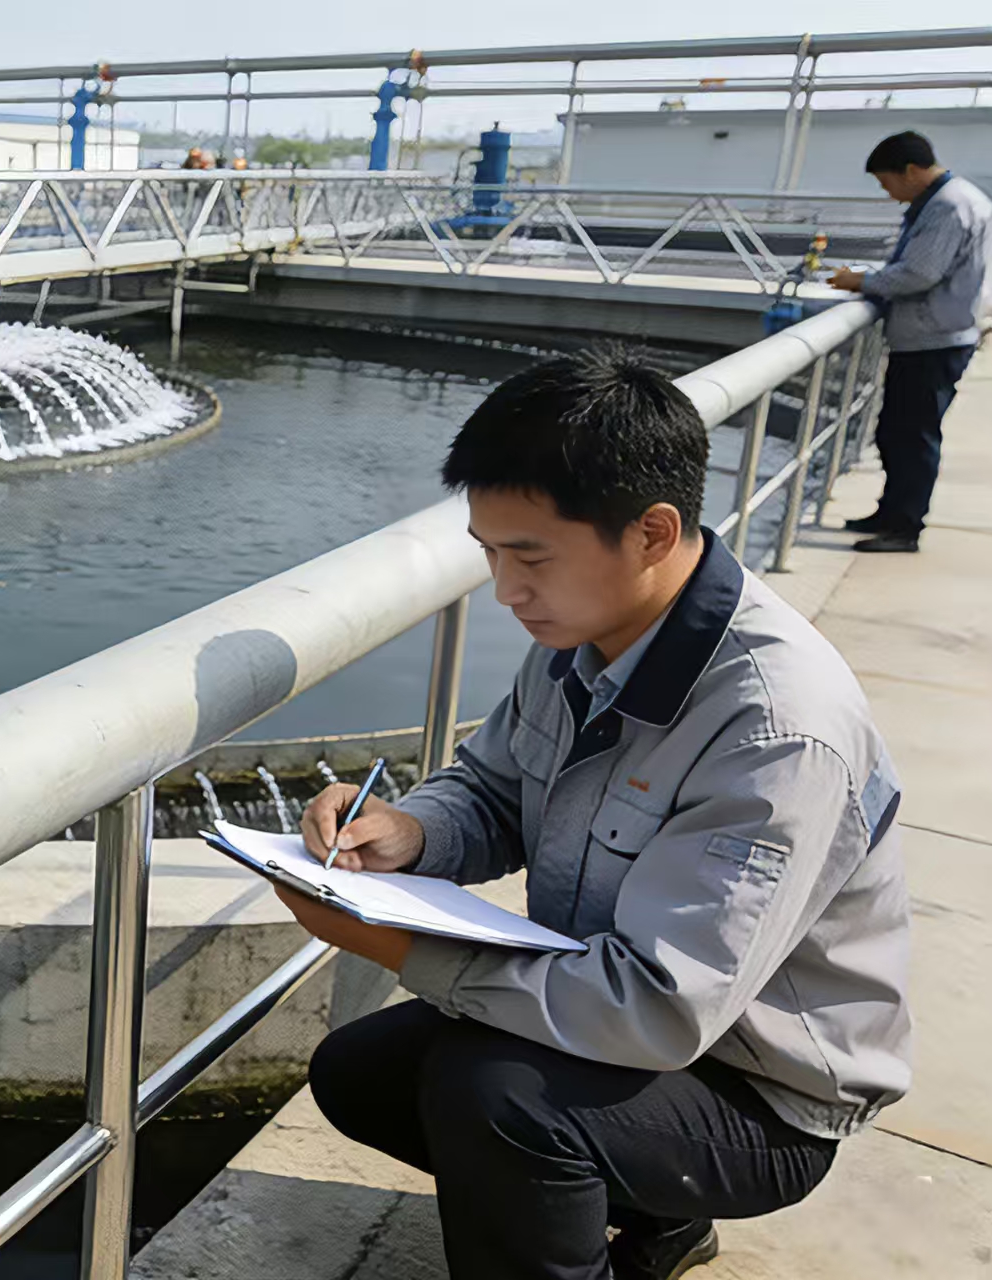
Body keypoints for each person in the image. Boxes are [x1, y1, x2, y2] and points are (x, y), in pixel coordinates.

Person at [281, 350, 911, 1280]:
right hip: (632, 1022)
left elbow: (656, 1007)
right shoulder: (583, 637)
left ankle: (641, 1213)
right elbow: (495, 788)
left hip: (763, 1093)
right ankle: (656, 1217)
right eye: (489, 553)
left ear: (652, 533)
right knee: (359, 1074)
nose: (504, 590)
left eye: (529, 557)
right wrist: (409, 831)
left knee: (494, 1095)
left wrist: (403, 952)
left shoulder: (777, 729)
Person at [827, 131, 990, 553]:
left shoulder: (949, 207)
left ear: (911, 171)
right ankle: (892, 512)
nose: (890, 195)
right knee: (896, 432)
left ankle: (904, 528)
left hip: (934, 342)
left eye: (888, 183)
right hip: (931, 338)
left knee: (913, 437)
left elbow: (920, 273)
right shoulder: (951, 200)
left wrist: (859, 280)